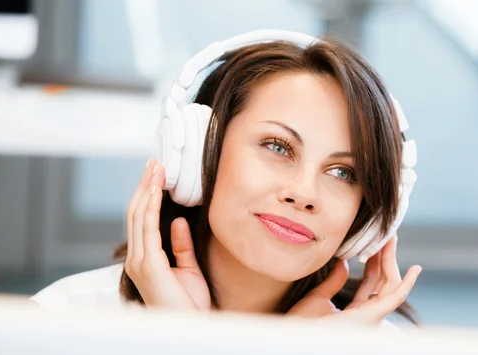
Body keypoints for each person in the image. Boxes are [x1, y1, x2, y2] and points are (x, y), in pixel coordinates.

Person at [31, 31, 422, 329]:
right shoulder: (60, 321)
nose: (304, 194)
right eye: (278, 146)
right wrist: (185, 340)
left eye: (343, 173)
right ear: (202, 153)